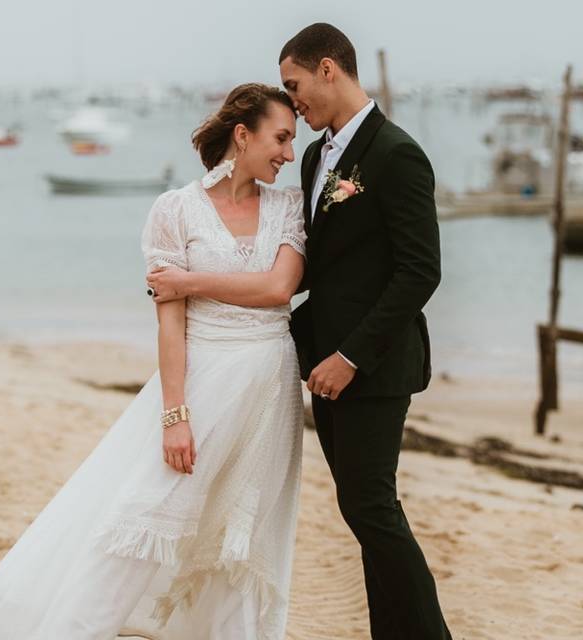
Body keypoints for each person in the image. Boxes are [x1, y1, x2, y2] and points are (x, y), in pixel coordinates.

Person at [0, 83, 308, 639]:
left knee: (242, 538)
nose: (288, 152)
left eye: (293, 141)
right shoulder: (175, 210)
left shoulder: (288, 206)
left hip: (269, 395)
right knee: (142, 519)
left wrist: (188, 280)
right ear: (242, 134)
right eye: (280, 138)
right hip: (202, 385)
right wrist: (175, 413)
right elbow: (171, 321)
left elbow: (279, 288)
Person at [149, 23, 453, 640]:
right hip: (320, 368)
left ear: (328, 70)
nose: (295, 101)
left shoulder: (397, 153)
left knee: (371, 507)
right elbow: (318, 262)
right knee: (363, 512)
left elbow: (421, 271)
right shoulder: (317, 157)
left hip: (373, 363)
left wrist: (351, 356)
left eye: (295, 85)